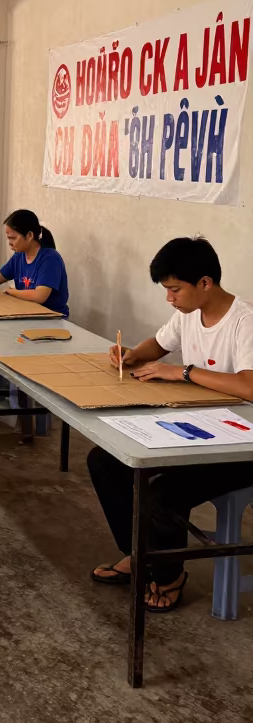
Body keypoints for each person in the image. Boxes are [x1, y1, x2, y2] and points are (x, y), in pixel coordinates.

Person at [89, 237, 253, 613]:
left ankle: (169, 575)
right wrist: (131, 355)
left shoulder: (244, 320)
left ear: (206, 283)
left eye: (175, 289)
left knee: (162, 493)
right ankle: (138, 553)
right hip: (196, 430)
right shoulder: (187, 313)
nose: (170, 299)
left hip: (237, 446)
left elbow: (248, 385)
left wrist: (183, 373)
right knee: (106, 461)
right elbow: (158, 345)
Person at [0, 209, 68, 317]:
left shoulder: (50, 259)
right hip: (27, 312)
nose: (10, 243)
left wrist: (11, 292)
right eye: (8, 238)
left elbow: (40, 296)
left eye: (13, 238)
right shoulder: (19, 256)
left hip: (51, 318)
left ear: (29, 236)